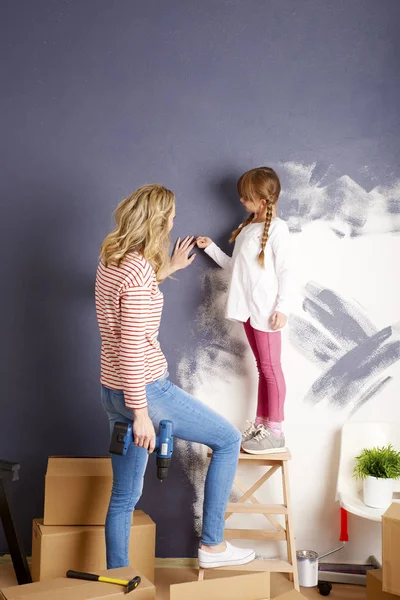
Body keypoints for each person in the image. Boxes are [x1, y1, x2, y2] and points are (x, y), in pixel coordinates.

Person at [95, 184, 255, 570]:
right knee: (229, 440)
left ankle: (119, 581)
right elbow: (133, 345)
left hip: (112, 389)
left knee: (123, 495)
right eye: (171, 215)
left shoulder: (112, 259)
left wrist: (167, 269)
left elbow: (129, 303)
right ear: (158, 219)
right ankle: (213, 546)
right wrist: (142, 414)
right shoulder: (135, 272)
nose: (173, 221)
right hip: (145, 391)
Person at [197, 167, 291, 455]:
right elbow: (234, 268)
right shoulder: (249, 228)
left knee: (271, 369)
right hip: (248, 310)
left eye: (246, 197)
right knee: (264, 369)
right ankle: (264, 425)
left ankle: (275, 431)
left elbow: (287, 270)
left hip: (266, 310)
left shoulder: (278, 228)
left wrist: (283, 307)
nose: (241, 200)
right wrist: (210, 248)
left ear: (263, 200)